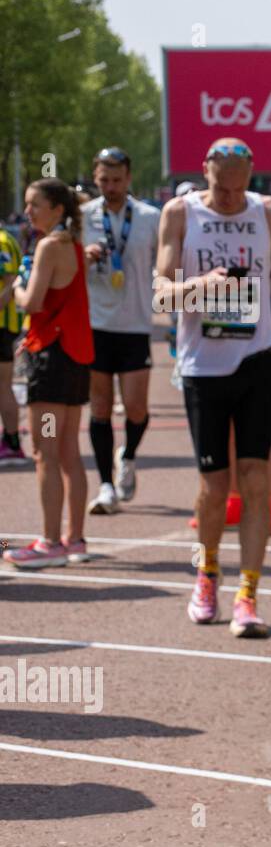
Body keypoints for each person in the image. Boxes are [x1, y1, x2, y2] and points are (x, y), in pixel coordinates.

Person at [155, 138, 271, 637]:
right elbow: (160, 293)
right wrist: (199, 287)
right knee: (213, 486)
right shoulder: (180, 213)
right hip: (202, 366)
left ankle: (248, 594)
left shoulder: (268, 213)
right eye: (220, 186)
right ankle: (207, 574)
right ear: (205, 171)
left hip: (256, 361)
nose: (227, 197)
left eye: (237, 186)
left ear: (250, 176)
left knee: (257, 479)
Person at [3, 179, 93, 568]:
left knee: (46, 452)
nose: (28, 212)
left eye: (34, 204)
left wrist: (18, 285)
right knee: (69, 451)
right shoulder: (72, 244)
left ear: (57, 208)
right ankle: (74, 539)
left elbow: (33, 301)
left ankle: (51, 540)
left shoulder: (49, 246)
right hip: (72, 361)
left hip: (52, 364)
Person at [80, 146, 162, 515]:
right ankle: (106, 486)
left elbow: (168, 265)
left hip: (135, 324)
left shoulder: (149, 217)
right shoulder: (80, 217)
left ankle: (127, 455)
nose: (110, 187)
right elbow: (64, 269)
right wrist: (83, 258)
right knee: (99, 406)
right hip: (96, 323)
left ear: (128, 178)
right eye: (103, 180)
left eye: (116, 180)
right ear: (95, 178)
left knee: (135, 406)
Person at [0, 221, 28, 466]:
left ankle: (12, 441)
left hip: (1, 324)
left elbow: (10, 282)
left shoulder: (1, 241)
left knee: (3, 385)